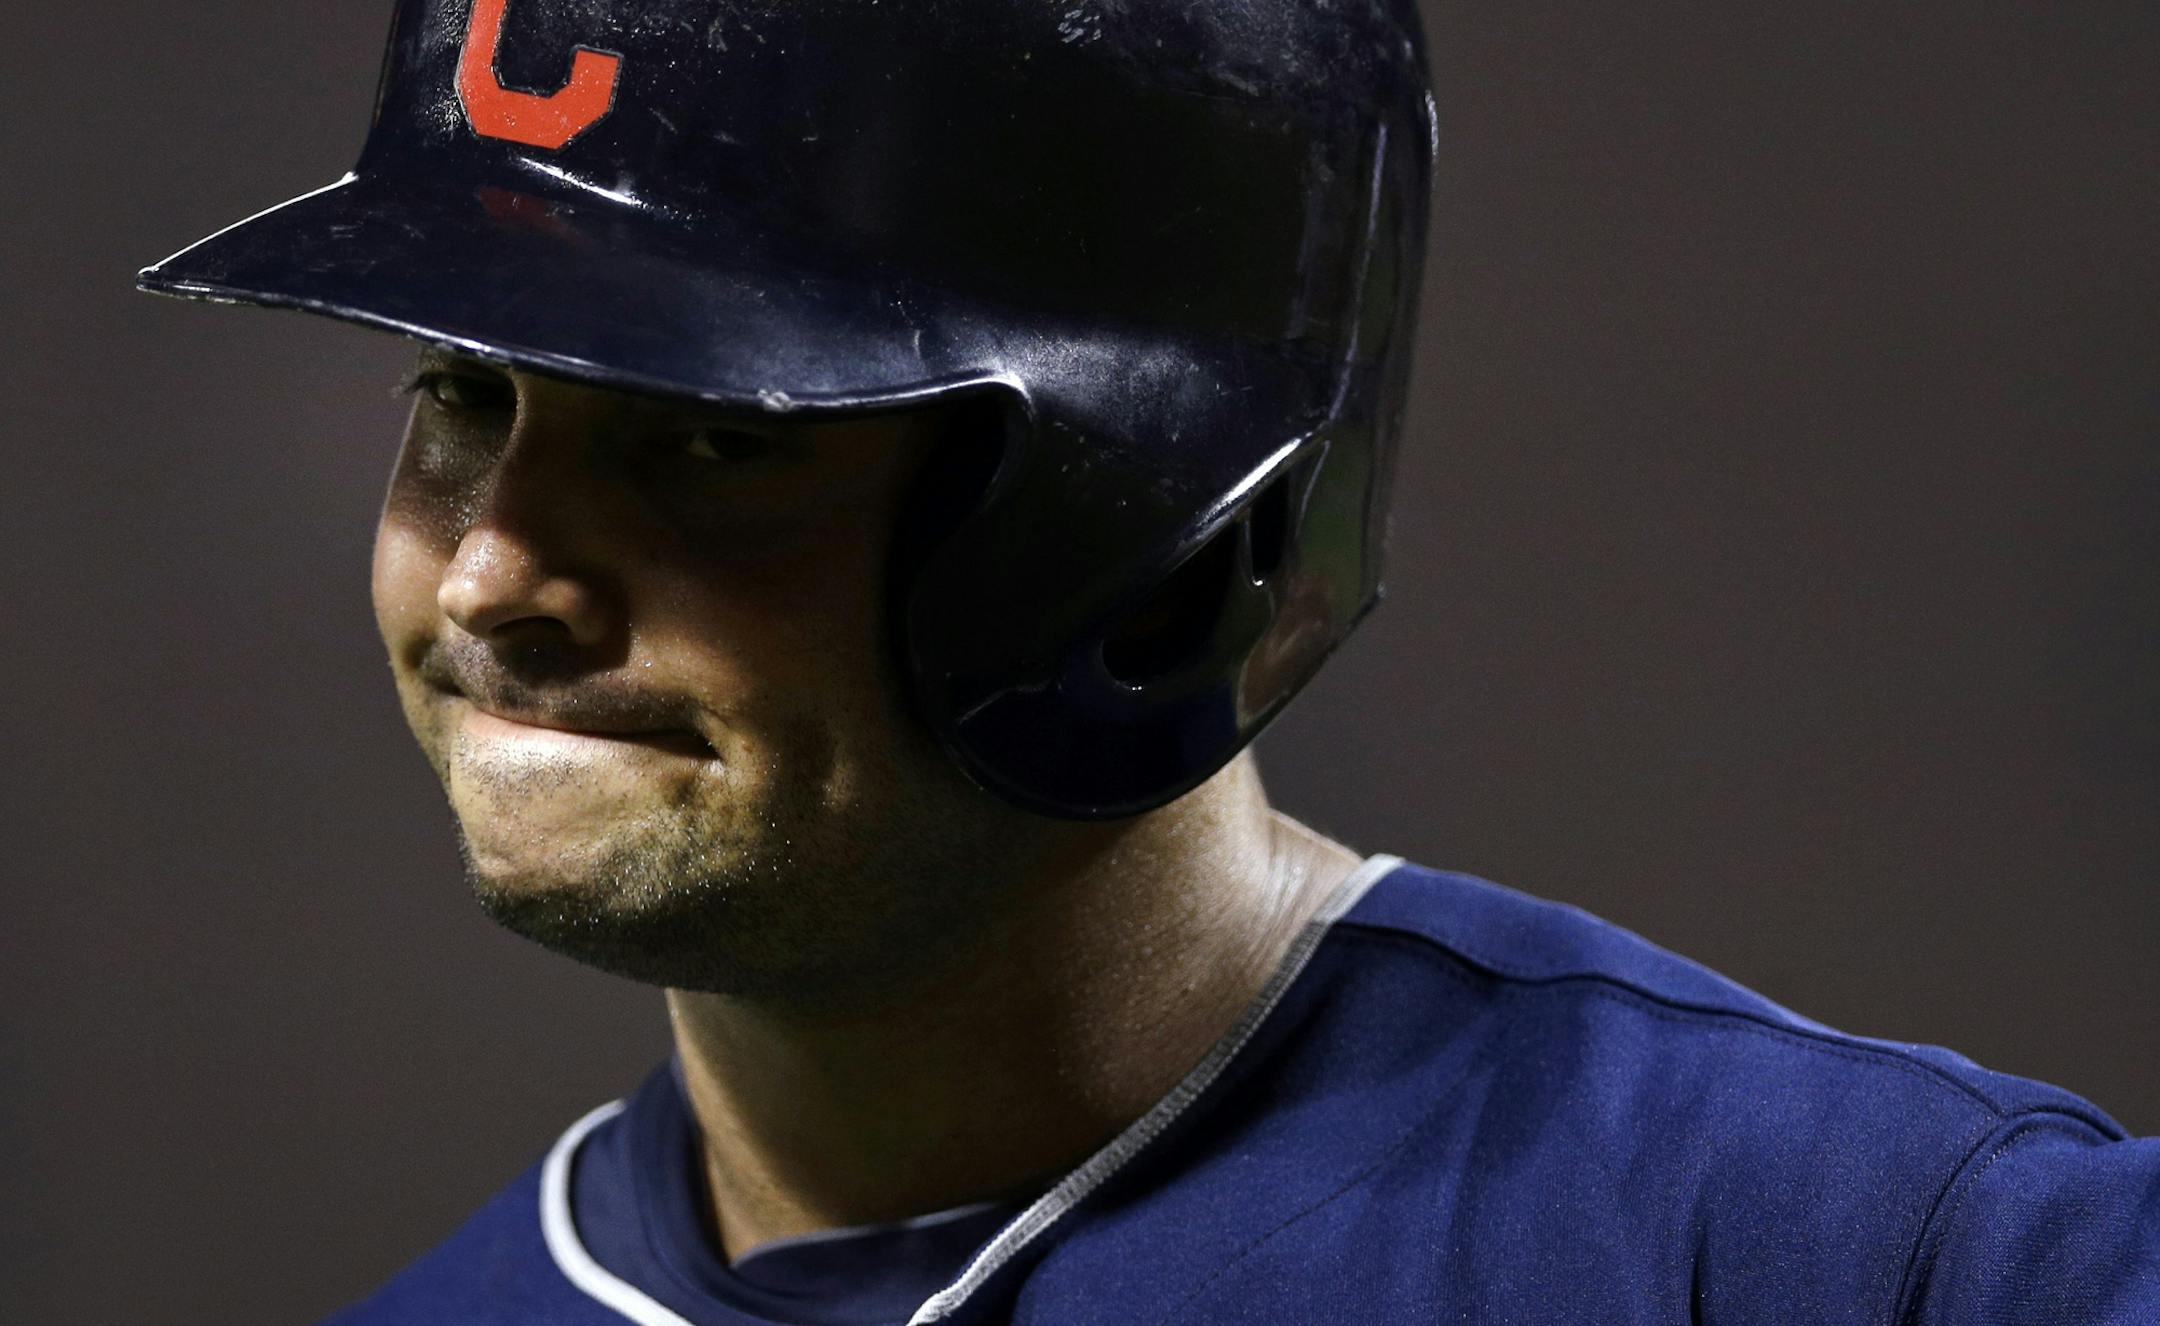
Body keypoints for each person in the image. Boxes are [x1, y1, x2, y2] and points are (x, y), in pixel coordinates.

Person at [140, 0, 2158, 1322]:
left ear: (1158, 534)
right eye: (463, 397)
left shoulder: (1878, 1260)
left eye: (712, 436)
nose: (495, 575)